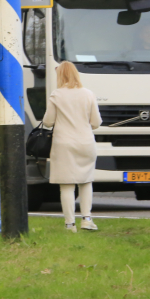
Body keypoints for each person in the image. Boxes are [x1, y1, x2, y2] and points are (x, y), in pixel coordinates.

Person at [43, 61, 102, 232]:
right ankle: (87, 219)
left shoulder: (56, 95)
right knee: (86, 181)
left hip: (64, 143)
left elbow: (48, 121)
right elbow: (96, 122)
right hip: (86, 142)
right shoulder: (88, 94)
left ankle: (70, 224)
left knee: (67, 185)